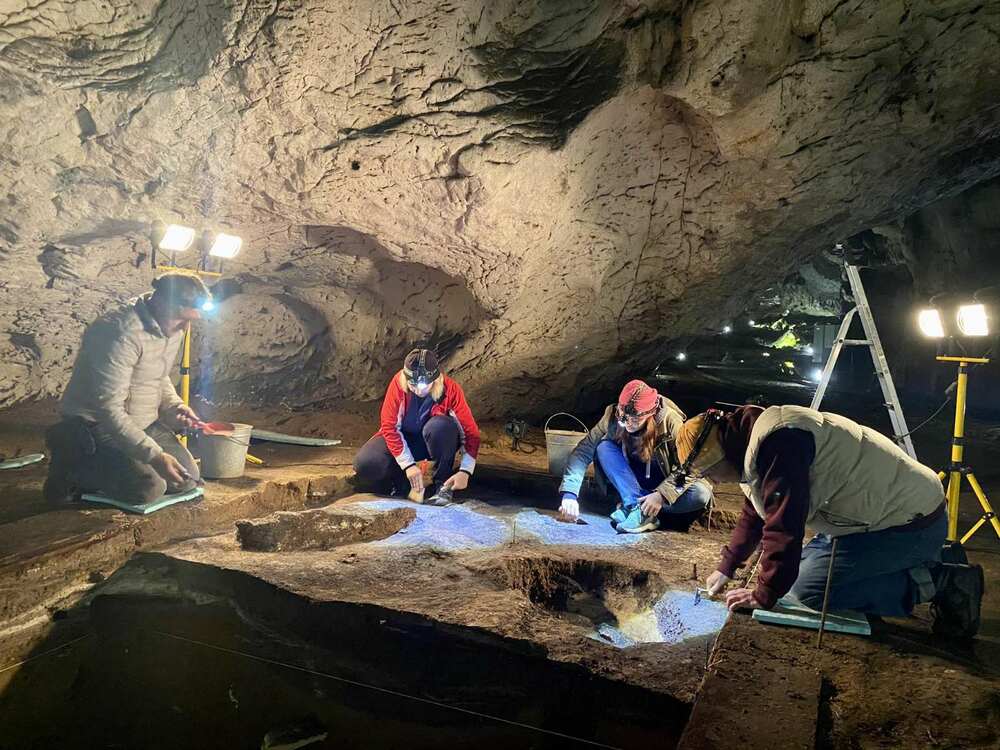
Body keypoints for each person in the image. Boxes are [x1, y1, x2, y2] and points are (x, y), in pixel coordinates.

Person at [682, 404, 983, 638]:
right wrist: (728, 565)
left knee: (808, 591)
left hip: (907, 523)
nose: (712, 481)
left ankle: (940, 581)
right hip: (875, 517)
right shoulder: (754, 439)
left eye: (709, 472)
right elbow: (757, 509)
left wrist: (764, 595)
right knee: (795, 571)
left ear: (721, 456)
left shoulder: (780, 445)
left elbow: (785, 524)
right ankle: (936, 557)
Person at [43, 273, 211, 505]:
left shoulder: (172, 328)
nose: (185, 327)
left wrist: (174, 405)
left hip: (141, 421)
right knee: (149, 488)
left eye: (190, 320)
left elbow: (157, 375)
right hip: (96, 424)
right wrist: (155, 456)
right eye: (181, 319)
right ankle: (72, 462)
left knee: (186, 479)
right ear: (161, 303)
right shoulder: (118, 333)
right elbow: (108, 408)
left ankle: (118, 465)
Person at [557, 380, 712, 533]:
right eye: (623, 417)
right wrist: (570, 494)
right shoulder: (612, 415)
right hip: (632, 483)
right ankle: (635, 506)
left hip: (663, 479)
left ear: (650, 413)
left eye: (635, 419)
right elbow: (584, 450)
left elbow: (690, 466)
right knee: (604, 448)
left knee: (700, 494)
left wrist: (662, 496)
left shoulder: (670, 421)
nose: (628, 424)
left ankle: (639, 509)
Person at [353, 348, 480, 502]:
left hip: (434, 443)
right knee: (366, 463)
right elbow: (389, 426)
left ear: (435, 379)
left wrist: (465, 471)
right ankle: (396, 483)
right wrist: (408, 466)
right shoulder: (398, 383)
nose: (418, 390)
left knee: (440, 427)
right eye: (412, 384)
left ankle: (442, 486)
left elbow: (470, 432)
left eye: (424, 385)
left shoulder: (451, 389)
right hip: (405, 440)